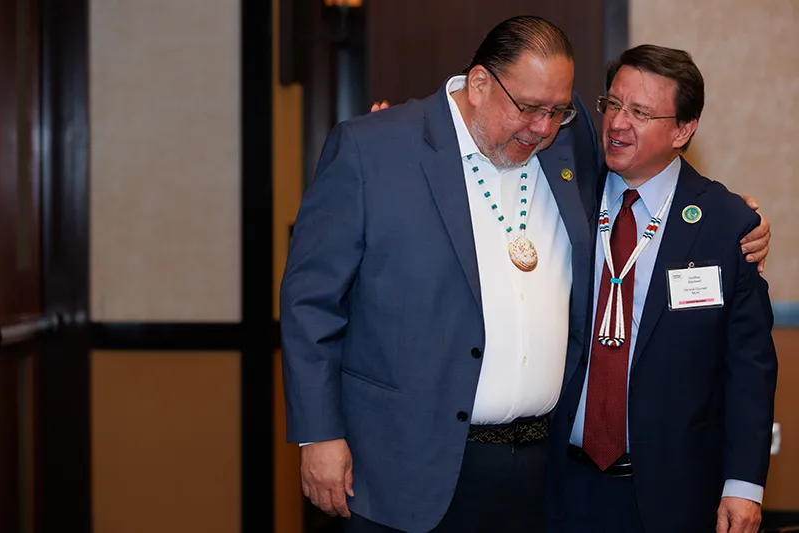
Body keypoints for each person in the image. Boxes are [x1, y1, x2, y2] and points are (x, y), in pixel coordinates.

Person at [281, 15, 771, 533]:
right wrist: (319, 434)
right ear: (479, 85)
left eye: (558, 111)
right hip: (405, 464)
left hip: (536, 474)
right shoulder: (376, 149)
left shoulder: (568, 144)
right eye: (531, 108)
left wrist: (734, 219)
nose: (542, 127)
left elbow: (655, 183)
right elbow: (310, 302)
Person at [547, 45, 778, 533]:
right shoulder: (565, 195)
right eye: (612, 104)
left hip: (673, 493)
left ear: (683, 130)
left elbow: (749, 369)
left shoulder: (725, 223)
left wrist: (743, 486)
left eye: (640, 112)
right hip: (557, 481)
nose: (617, 123)